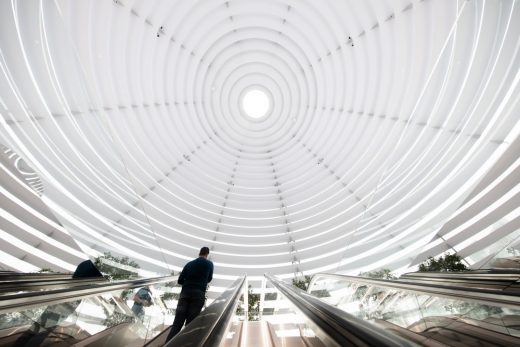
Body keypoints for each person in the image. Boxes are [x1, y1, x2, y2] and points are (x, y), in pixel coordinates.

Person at [166, 247, 213, 341]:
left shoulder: (189, 264)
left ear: (199, 253)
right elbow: (209, 279)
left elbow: (180, 280)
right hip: (198, 295)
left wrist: (189, 283)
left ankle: (168, 344)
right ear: (207, 254)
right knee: (190, 325)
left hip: (185, 294)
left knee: (177, 324)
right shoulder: (209, 264)